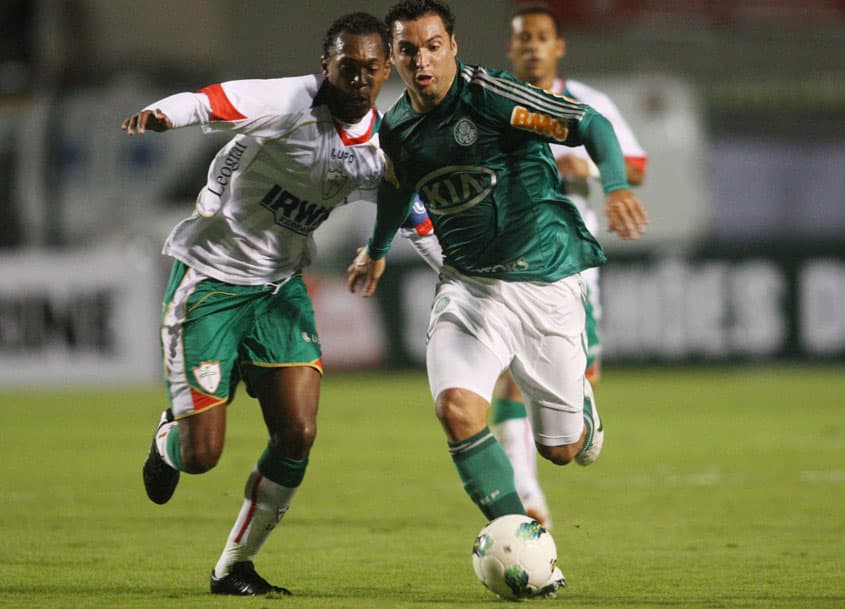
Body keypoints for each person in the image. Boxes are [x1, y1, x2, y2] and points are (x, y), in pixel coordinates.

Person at [347, 0, 647, 594]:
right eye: (407, 50)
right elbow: (395, 186)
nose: (421, 60)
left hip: (546, 281)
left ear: (453, 45)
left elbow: (592, 126)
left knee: (564, 452)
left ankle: (580, 411)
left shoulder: (494, 96)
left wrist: (613, 186)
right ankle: (529, 554)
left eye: (432, 45)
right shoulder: (399, 127)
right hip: (470, 289)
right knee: (457, 411)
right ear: (394, 58)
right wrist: (377, 248)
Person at [121, 12, 392, 596]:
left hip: (277, 289)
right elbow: (214, 102)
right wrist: (164, 114)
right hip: (212, 282)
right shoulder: (290, 100)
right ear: (327, 66)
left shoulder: (381, 140)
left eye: (371, 68)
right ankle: (171, 437)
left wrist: (421, 255)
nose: (359, 79)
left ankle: (234, 566)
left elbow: (408, 202)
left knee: (298, 431)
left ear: (387, 69)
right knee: (202, 456)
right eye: (348, 67)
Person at [489, 5, 649, 528]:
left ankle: (578, 399)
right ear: (511, 49)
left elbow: (637, 164)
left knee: (576, 384)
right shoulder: (491, 101)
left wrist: (596, 169)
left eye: (542, 38)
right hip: (506, 258)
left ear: (559, 47)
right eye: (523, 39)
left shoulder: (586, 102)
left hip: (571, 262)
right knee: (513, 379)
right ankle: (526, 494)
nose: (532, 46)